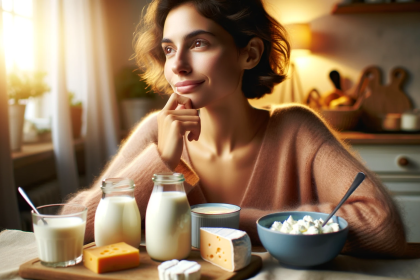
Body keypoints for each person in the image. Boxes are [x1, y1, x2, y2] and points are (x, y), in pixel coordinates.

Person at [65, 0, 406, 257]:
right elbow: (70, 226)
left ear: (250, 53)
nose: (178, 65)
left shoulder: (295, 129)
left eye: (199, 44)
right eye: (169, 49)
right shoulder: (157, 132)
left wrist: (228, 223)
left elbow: (382, 226)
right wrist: (161, 161)